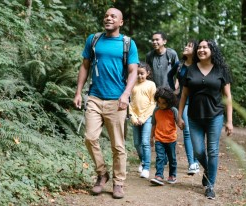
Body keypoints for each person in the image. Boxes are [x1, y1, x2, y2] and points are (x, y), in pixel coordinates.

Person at [73, 8, 139, 199]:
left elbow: (133, 71)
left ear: (121, 22)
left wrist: (126, 94)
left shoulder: (128, 43)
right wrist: (78, 92)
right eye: (106, 16)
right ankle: (102, 174)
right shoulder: (94, 39)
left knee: (118, 146)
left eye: (113, 16)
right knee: (90, 138)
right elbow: (85, 65)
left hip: (116, 101)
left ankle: (118, 183)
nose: (108, 18)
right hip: (94, 97)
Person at [177, 39, 233, 200]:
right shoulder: (191, 69)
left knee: (213, 150)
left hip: (215, 116)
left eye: (205, 47)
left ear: (212, 50)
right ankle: (209, 170)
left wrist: (229, 121)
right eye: (199, 47)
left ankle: (210, 186)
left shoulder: (221, 70)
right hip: (194, 117)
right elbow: (184, 95)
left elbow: (228, 97)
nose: (201, 50)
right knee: (198, 151)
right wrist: (179, 116)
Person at [174, 40, 200, 175]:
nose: (185, 47)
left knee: (196, 132)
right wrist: (173, 89)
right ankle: (192, 163)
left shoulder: (200, 65)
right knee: (187, 131)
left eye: (189, 46)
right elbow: (174, 78)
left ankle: (196, 160)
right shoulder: (179, 65)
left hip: (198, 103)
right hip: (184, 102)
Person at [129, 62, 156, 179]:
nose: (140, 76)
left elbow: (153, 103)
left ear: (147, 73)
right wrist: (134, 117)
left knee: (145, 142)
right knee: (136, 143)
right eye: (138, 73)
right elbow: (129, 102)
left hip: (147, 117)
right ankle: (143, 161)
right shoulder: (132, 84)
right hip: (135, 118)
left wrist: (143, 118)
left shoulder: (151, 85)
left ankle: (146, 168)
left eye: (142, 73)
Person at [149, 87, 179, 186]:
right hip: (159, 139)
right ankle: (159, 176)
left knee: (172, 158)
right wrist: (151, 137)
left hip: (171, 139)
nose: (161, 105)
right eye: (159, 102)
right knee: (160, 157)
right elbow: (153, 124)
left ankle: (172, 175)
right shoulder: (156, 111)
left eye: (164, 103)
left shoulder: (173, 110)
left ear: (169, 102)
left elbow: (178, 122)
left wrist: (182, 125)